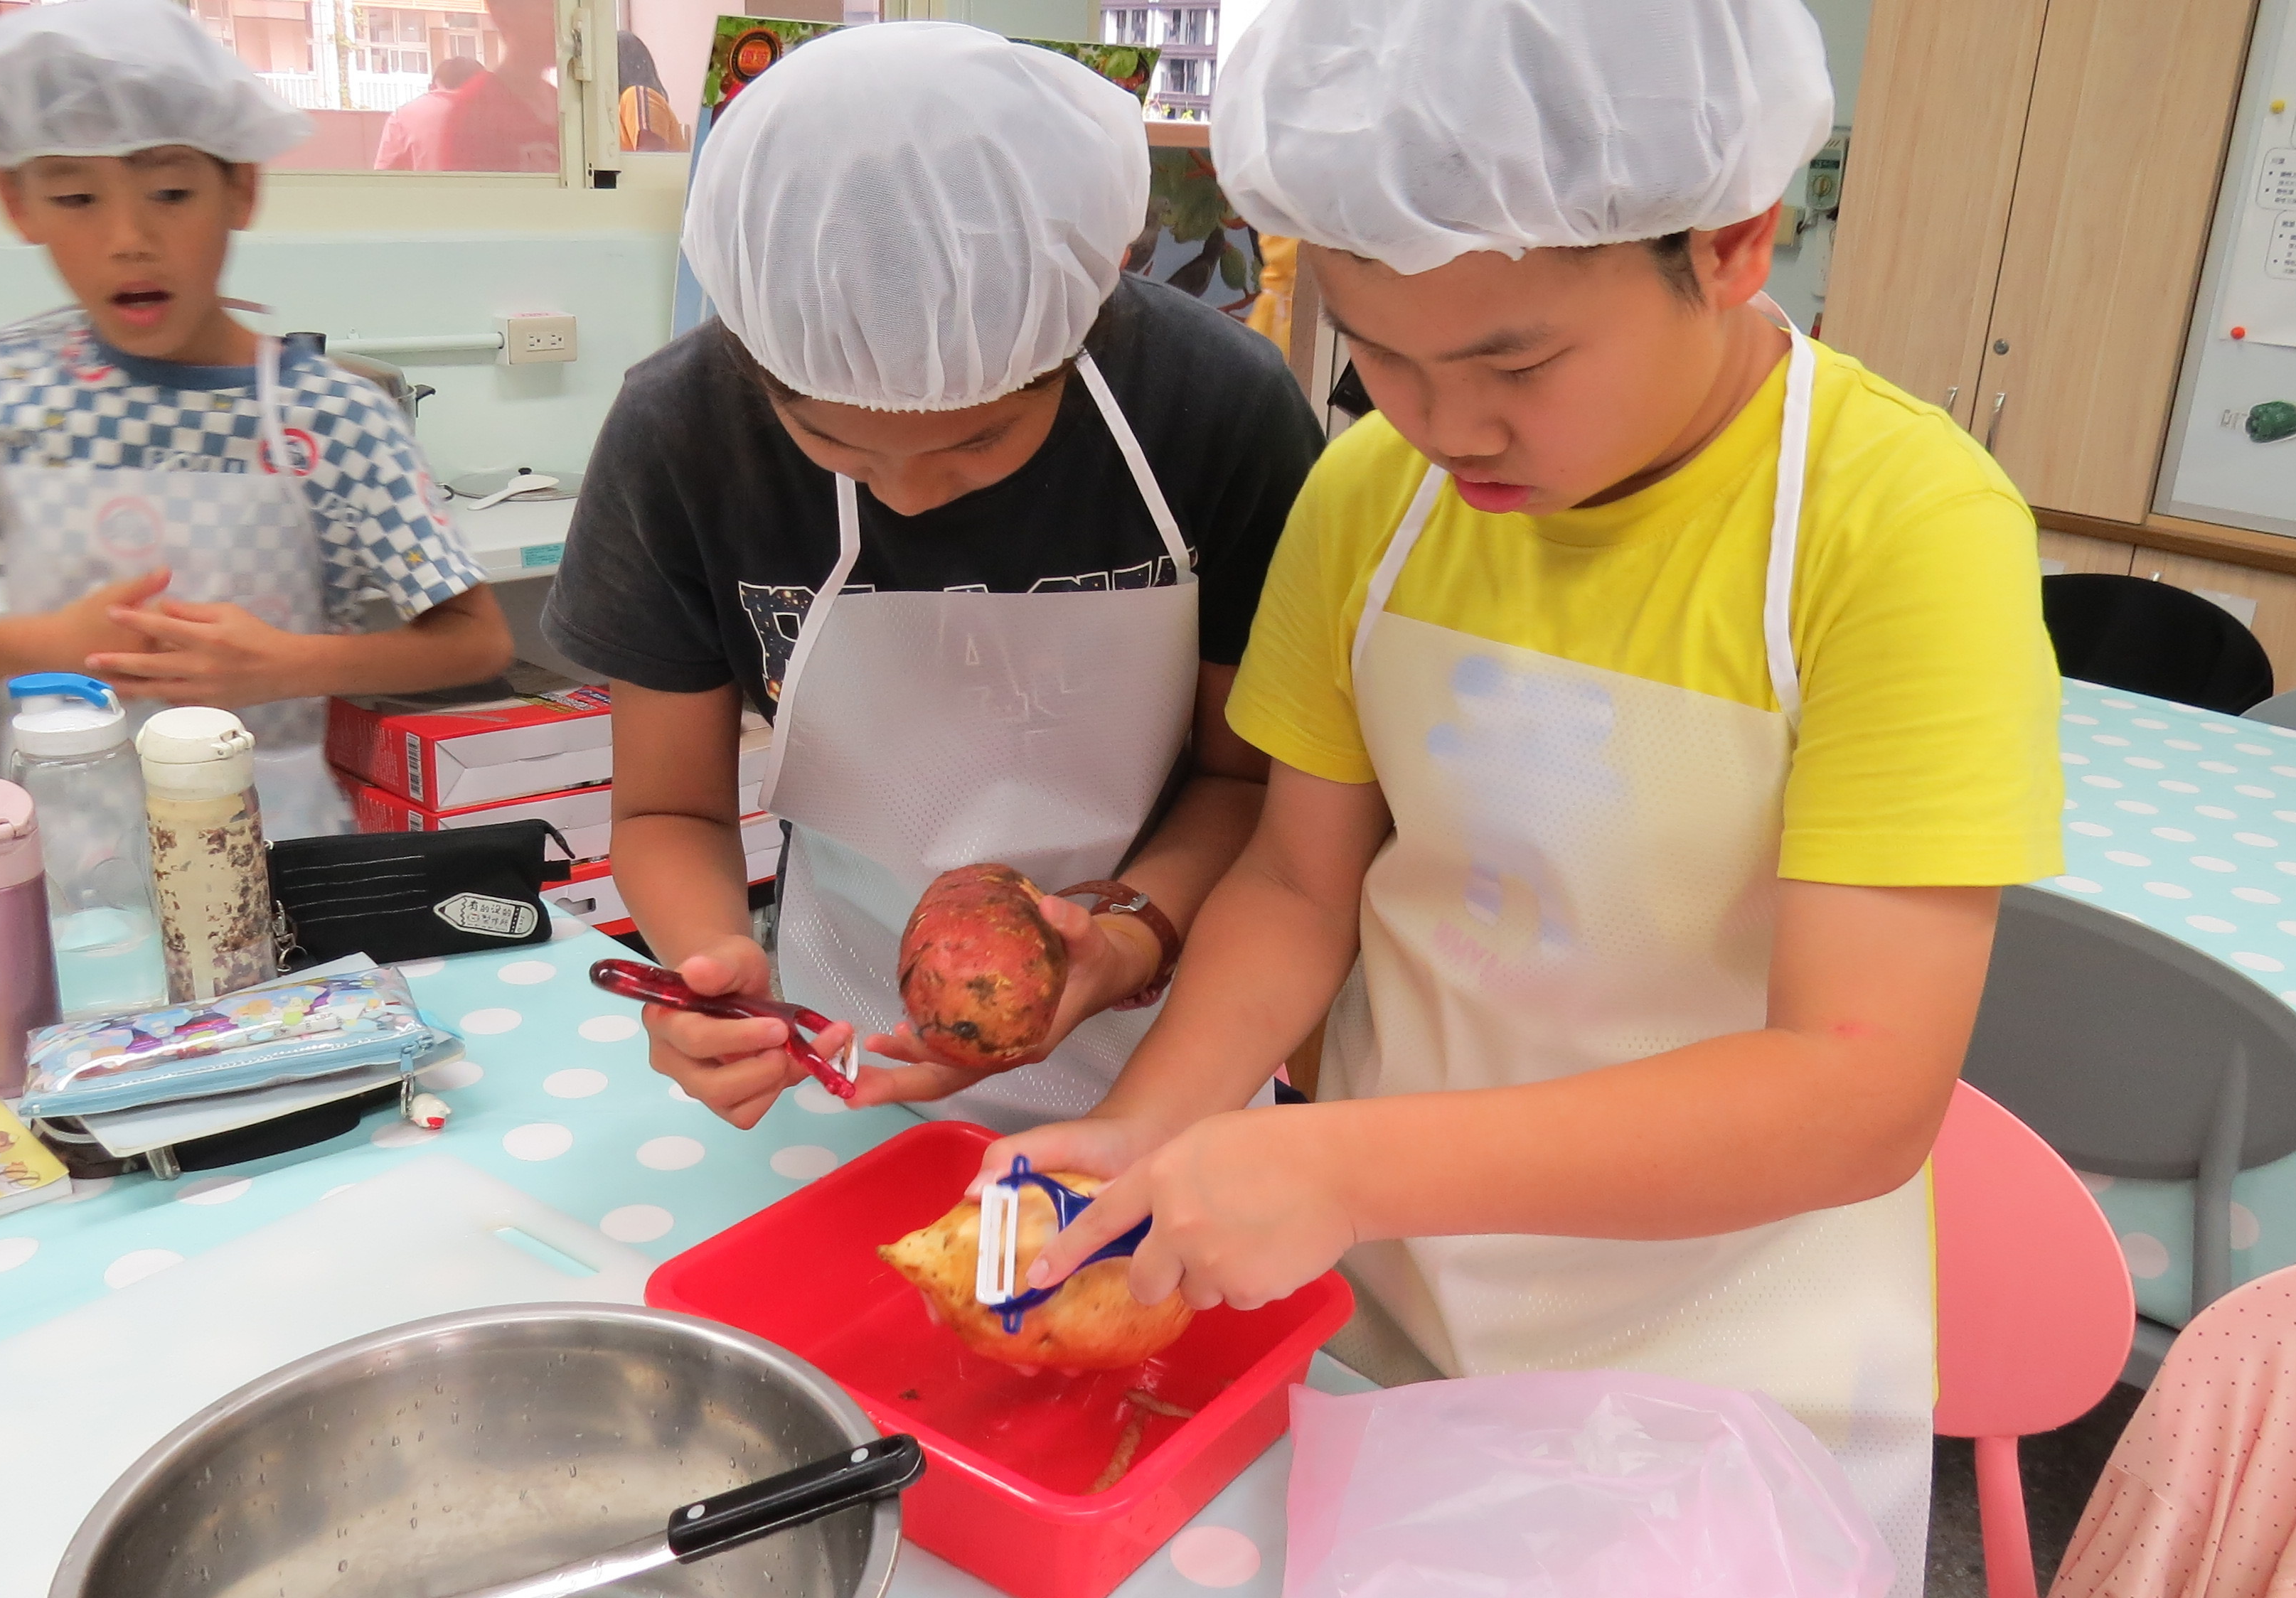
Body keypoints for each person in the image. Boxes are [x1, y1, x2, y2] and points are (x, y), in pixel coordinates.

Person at [991, 0, 2064, 1590]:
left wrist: (1342, 1161)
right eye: (1380, 351)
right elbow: (1298, 887)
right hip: (1374, 1308)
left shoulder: (1896, 528)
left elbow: (1856, 1087)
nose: (1445, 426)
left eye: (1516, 359)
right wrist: (1151, 1124)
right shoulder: (1373, 493)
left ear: (1733, 242)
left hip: (1719, 1378)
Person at [542, 22, 1322, 1132]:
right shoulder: (683, 435)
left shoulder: (1215, 410)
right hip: (847, 1054)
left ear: (1083, 318)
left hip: (1182, 1036)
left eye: (980, 443)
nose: (908, 495)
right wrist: (711, 964)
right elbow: (668, 804)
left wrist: (1127, 938)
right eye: (837, 445)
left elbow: (1252, 786)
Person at [0, 0, 511, 839]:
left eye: (171, 191)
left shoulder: (331, 412)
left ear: (241, 188)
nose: (129, 238)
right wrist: (47, 642)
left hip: (275, 845)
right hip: (70, 857)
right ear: (16, 203)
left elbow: (474, 641)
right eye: (74, 196)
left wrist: (287, 665)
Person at [432, 0, 557, 172]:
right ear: (504, 15)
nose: (559, 22)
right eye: (547, 8)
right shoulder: (475, 111)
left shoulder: (568, 106)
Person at [374, 55, 490, 171]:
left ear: (432, 87)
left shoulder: (403, 115)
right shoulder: (495, 113)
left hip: (424, 188)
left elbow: (383, 175)